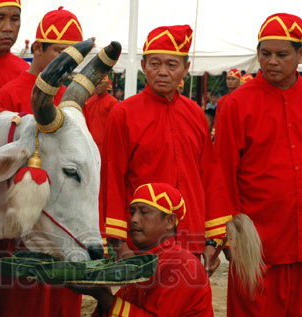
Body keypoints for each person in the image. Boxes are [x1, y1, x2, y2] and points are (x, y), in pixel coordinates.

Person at [0, 7, 85, 317]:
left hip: (64, 223)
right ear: (38, 48)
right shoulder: (3, 95)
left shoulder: (71, 103)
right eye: (61, 52)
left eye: (15, 18)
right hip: (11, 228)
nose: (8, 27)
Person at [102, 24, 234, 274]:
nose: (162, 72)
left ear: (186, 68)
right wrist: (120, 244)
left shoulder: (196, 113)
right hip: (143, 243)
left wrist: (211, 241)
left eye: (172, 65)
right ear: (143, 66)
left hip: (191, 237)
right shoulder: (123, 114)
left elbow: (210, 178)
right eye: (155, 64)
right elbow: (112, 178)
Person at [214, 13, 302, 316]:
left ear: (300, 54)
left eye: (282, 54)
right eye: (265, 54)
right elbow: (222, 171)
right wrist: (227, 234)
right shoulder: (236, 104)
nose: (273, 61)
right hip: (258, 240)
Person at [73, 183, 214, 316]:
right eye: (132, 212)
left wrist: (102, 296)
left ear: (170, 221)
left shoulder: (183, 265)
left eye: (144, 212)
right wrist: (102, 291)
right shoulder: (143, 261)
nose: (133, 219)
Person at [0, 6, 83, 112]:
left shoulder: (73, 101)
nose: (69, 62)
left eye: (74, 56)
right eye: (61, 53)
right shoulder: (6, 98)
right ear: (37, 48)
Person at [83, 75, 118, 154]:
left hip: (105, 144)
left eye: (100, 83)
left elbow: (116, 125)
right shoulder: (89, 101)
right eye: (96, 83)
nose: (97, 86)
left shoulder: (112, 102)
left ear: (107, 85)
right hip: (90, 142)